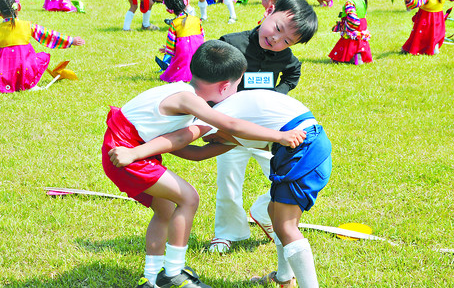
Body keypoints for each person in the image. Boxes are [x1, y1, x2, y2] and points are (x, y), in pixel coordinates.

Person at [102, 40, 306, 288]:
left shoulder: (181, 92)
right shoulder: (189, 101)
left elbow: (189, 150)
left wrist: (237, 144)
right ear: (224, 86)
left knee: (166, 209)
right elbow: (227, 125)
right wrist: (279, 136)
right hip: (126, 152)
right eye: (237, 84)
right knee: (189, 198)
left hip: (128, 150)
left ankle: (152, 277)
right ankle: (173, 274)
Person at [113, 89, 331, 288]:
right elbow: (196, 153)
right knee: (274, 213)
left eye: (211, 137)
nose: (210, 140)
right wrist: (155, 144)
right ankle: (284, 278)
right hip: (301, 146)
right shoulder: (234, 128)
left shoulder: (217, 116)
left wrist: (138, 150)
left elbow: (182, 137)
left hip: (302, 147)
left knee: (286, 225)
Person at [208, 0, 318, 253]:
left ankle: (263, 212)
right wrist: (215, 113)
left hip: (268, 131)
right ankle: (226, 232)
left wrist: (277, 94)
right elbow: (210, 79)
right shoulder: (230, 44)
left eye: (287, 40)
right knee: (229, 180)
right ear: (270, 10)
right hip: (230, 130)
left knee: (287, 175)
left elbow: (294, 71)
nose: (276, 40)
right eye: (277, 28)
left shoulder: (285, 57)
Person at [0, 0, 85, 93]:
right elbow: (49, 35)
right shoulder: (27, 25)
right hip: (25, 70)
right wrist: (71, 40)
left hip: (4, 73)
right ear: (19, 7)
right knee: (42, 57)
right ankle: (28, 83)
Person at [157, 0, 204, 83]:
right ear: (185, 2)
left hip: (183, 53)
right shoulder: (197, 20)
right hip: (199, 52)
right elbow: (202, 36)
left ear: (169, 9)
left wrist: (167, 50)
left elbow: (171, 45)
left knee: (175, 67)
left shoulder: (174, 23)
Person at [329, 0, 371, 65]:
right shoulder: (362, 2)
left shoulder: (350, 3)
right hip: (360, 33)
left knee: (335, 59)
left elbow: (354, 21)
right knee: (358, 46)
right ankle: (357, 55)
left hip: (352, 33)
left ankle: (353, 56)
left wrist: (345, 28)